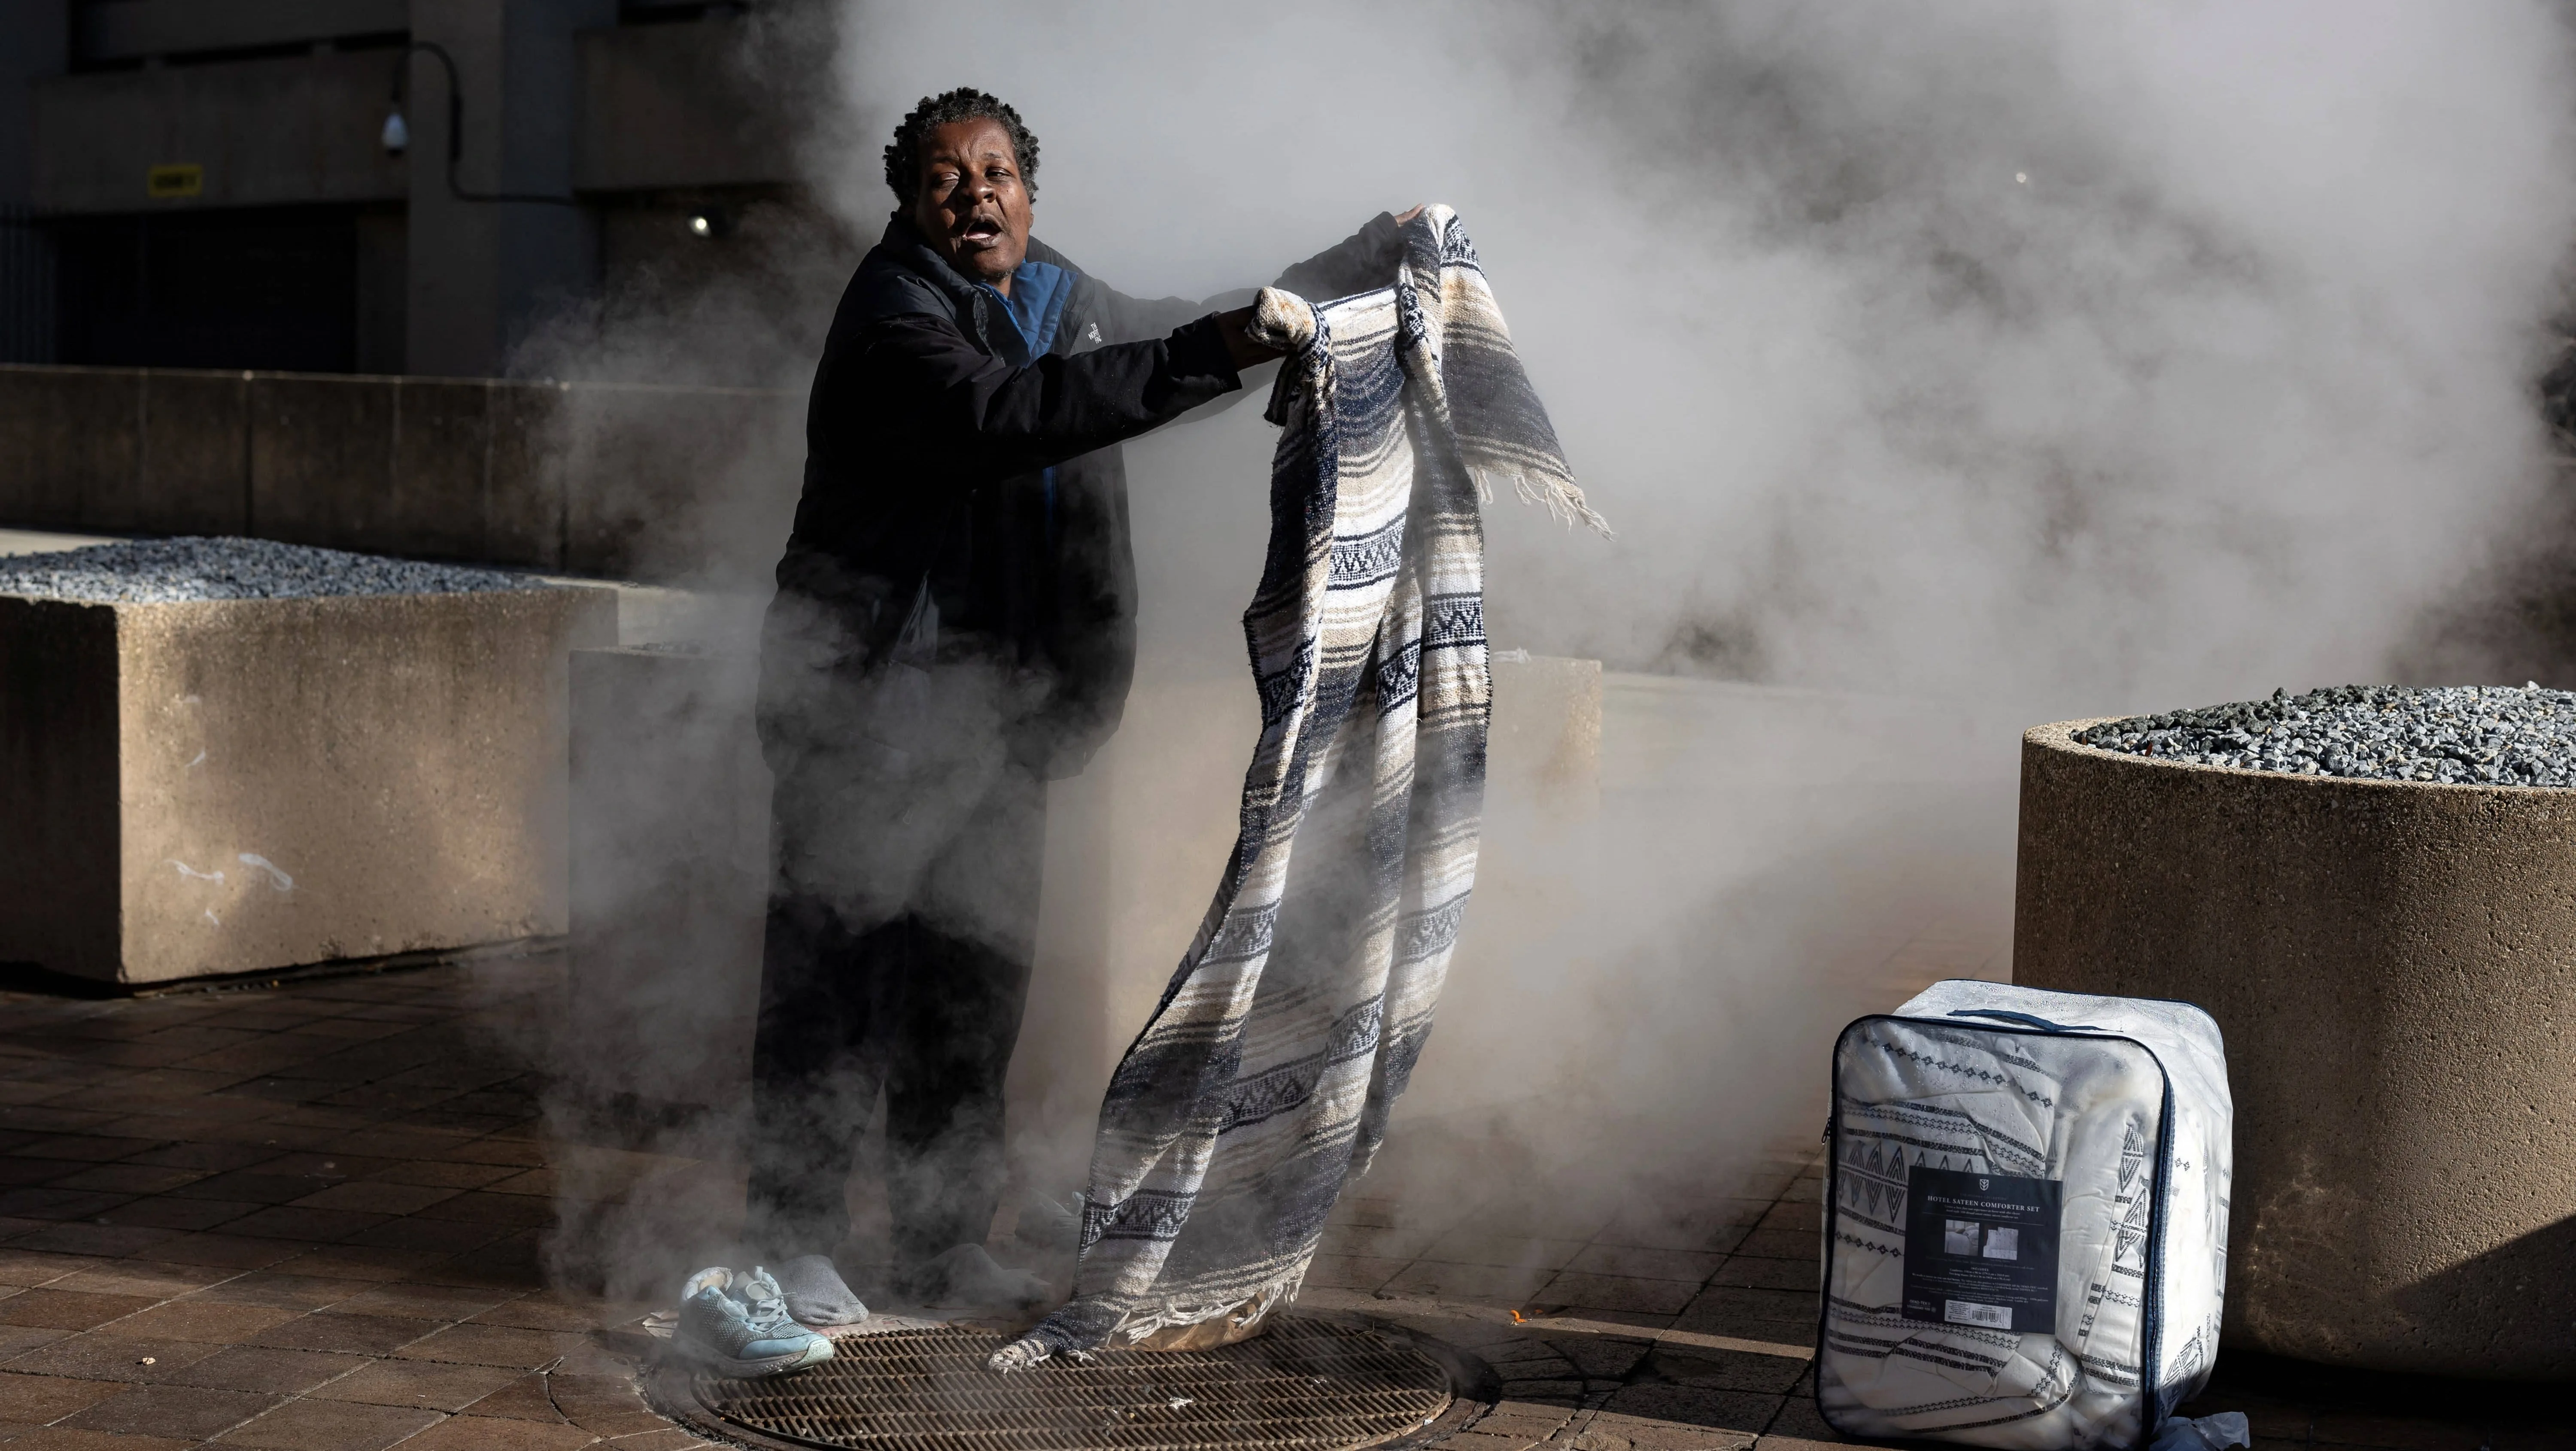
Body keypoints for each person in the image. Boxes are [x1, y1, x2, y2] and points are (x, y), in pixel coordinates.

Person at [744, 86, 1419, 1320]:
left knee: (969, 990)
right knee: (835, 996)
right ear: (908, 201)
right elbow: (1012, 413)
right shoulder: (896, 315)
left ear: (1030, 193)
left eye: (997, 173)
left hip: (997, 715)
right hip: (870, 709)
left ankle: (941, 1244)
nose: (976, 195)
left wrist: (1332, 278)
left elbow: (1161, 339)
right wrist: (1220, 343)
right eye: (946, 178)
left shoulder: (1049, 291)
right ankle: (792, 1241)